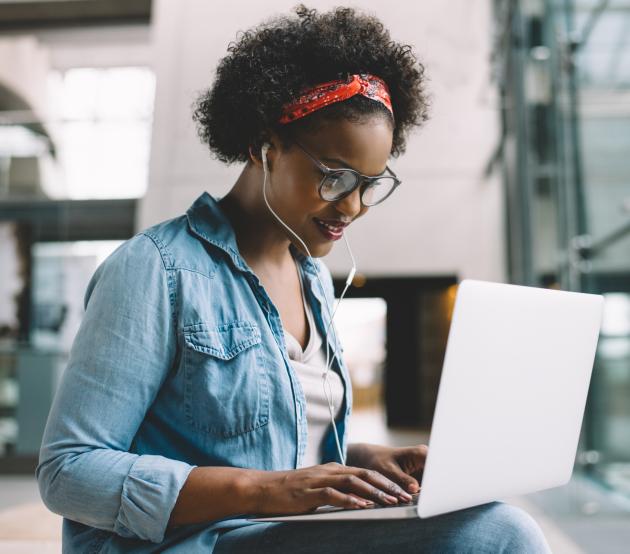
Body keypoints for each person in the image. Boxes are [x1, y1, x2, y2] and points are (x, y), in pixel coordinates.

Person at [37, 5, 551, 553]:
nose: (353, 206)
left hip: (279, 536)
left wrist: (364, 460)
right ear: (266, 148)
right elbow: (69, 471)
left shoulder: (313, 281)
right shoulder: (154, 271)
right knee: (499, 536)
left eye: (370, 184)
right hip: (196, 543)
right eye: (335, 177)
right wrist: (260, 491)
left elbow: (275, 442)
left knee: (488, 518)